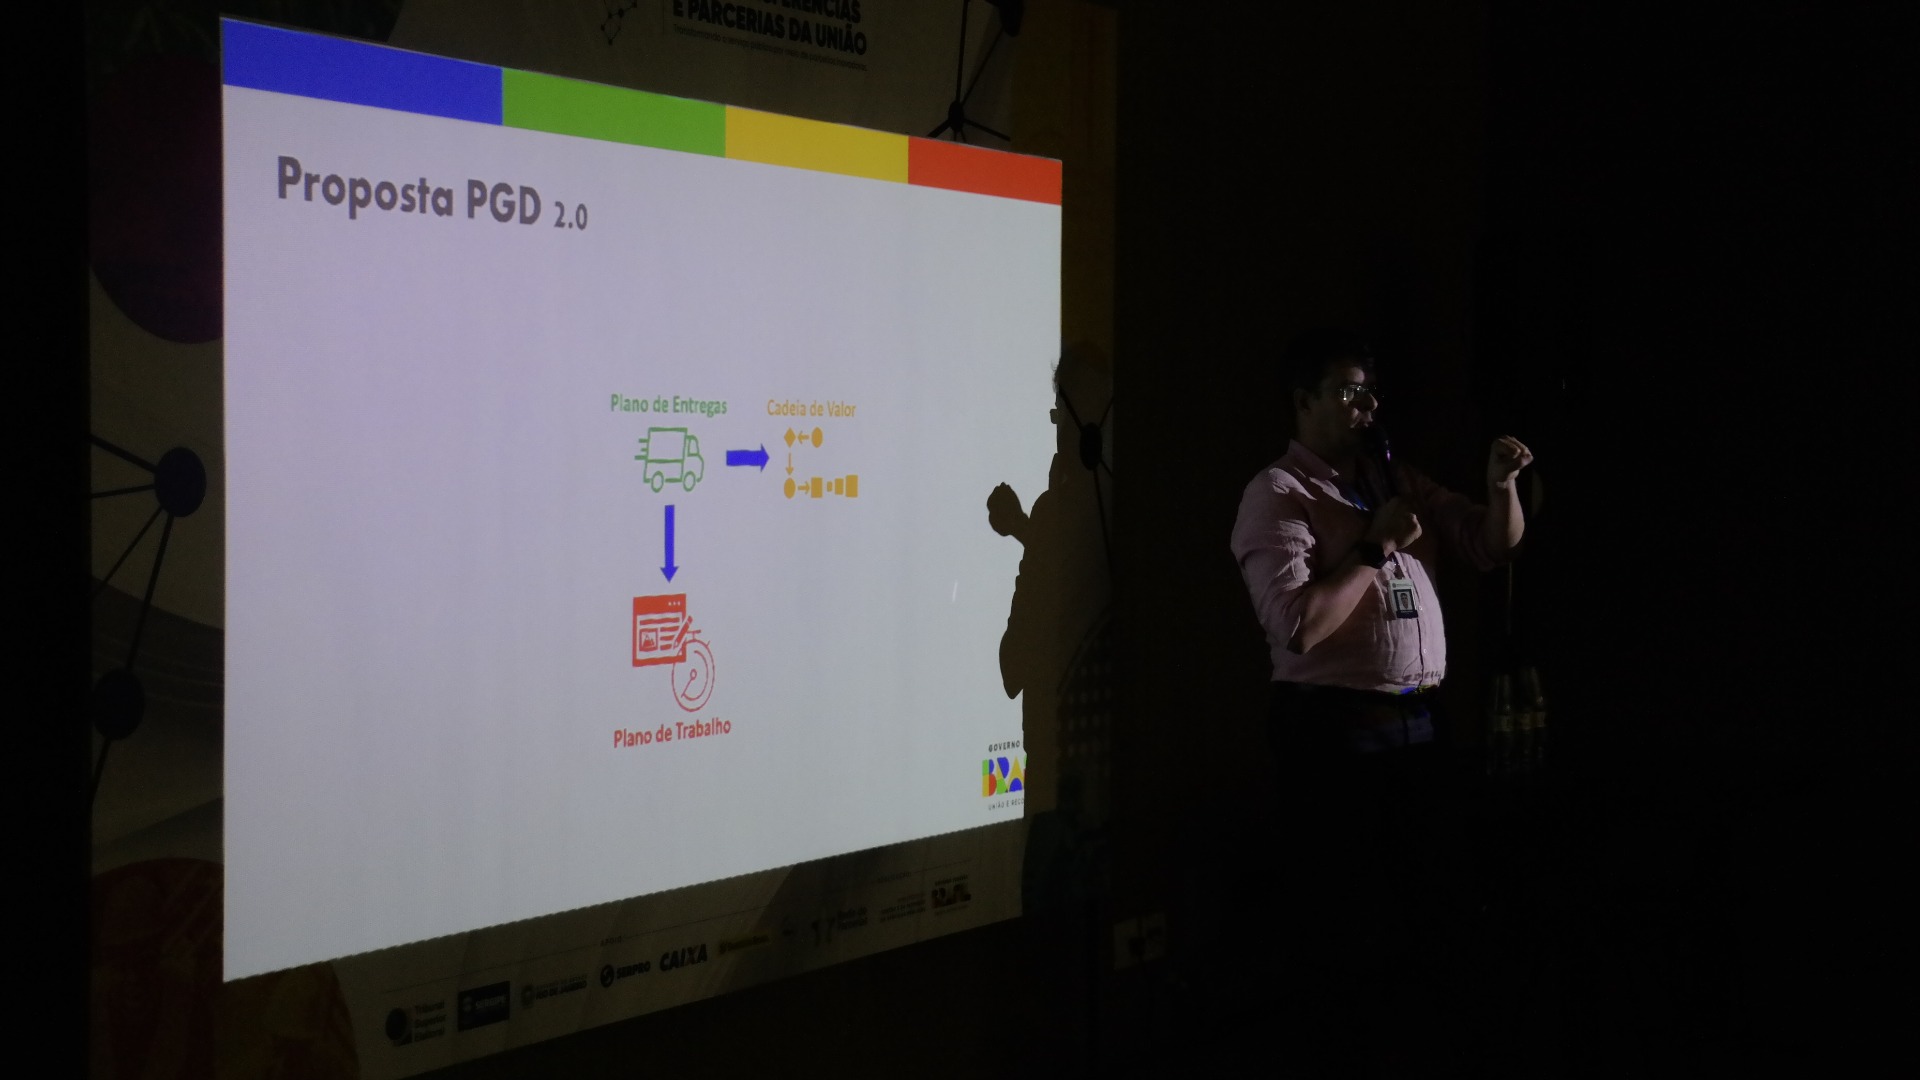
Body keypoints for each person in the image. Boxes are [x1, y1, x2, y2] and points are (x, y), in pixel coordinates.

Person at [1229, 327, 1532, 1074]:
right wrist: (1375, 547)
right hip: (1334, 735)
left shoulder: (1393, 480)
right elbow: (1298, 626)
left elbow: (1491, 544)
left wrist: (1501, 488)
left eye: (1371, 393)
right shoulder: (1278, 494)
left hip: (1418, 728)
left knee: (1436, 919)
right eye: (1347, 392)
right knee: (1347, 930)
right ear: (1303, 401)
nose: (1367, 407)